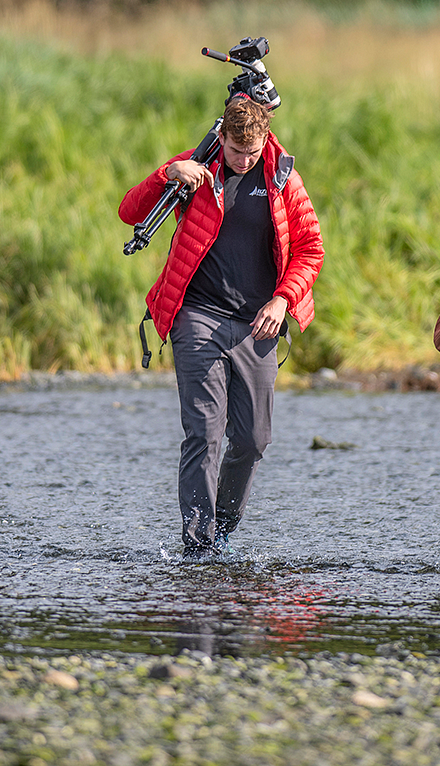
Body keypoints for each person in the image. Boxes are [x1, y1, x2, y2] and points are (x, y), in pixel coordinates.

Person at [119, 96, 324, 559]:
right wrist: (166, 174)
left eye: (252, 152)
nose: (244, 160)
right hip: (197, 316)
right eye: (236, 152)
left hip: (259, 325)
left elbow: (311, 248)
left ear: (264, 139)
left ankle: (223, 529)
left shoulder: (281, 177)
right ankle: (197, 545)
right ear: (222, 138)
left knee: (253, 440)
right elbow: (129, 212)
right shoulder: (195, 167)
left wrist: (282, 299)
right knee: (204, 434)